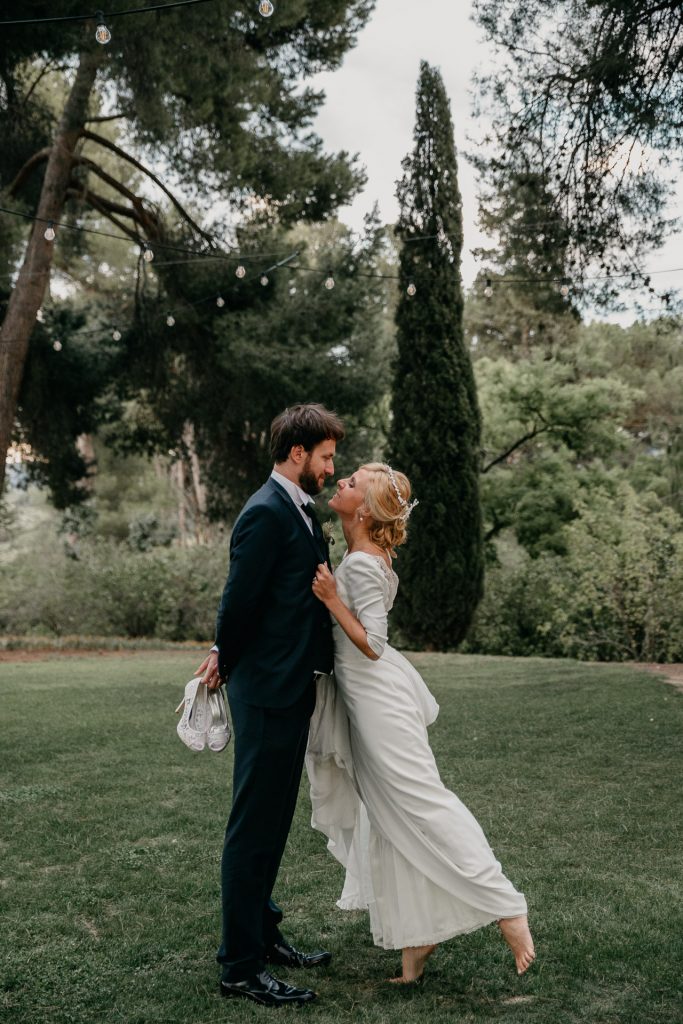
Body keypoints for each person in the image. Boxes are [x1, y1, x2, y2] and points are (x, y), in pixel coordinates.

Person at [307, 462, 535, 984]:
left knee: (421, 802)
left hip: (379, 701)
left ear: (363, 510)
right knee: (388, 815)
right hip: (364, 702)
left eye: (352, 483)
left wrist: (330, 600)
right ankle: (416, 944)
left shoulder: (362, 562)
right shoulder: (362, 552)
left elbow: (374, 644)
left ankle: (507, 906)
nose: (341, 481)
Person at [196, 403, 345, 1007]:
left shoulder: (297, 508)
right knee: (252, 829)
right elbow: (240, 600)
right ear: (296, 453)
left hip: (291, 688)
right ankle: (239, 967)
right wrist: (221, 655)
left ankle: (264, 932)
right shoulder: (264, 512)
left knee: (273, 823)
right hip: (266, 691)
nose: (332, 470)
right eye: (327, 457)